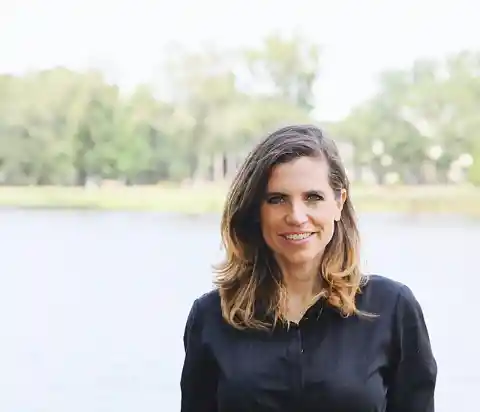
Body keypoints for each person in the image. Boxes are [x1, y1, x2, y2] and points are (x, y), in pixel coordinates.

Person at [180, 124, 437, 412]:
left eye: (313, 198)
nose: (296, 216)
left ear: (339, 203)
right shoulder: (212, 316)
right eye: (277, 199)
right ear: (256, 210)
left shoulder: (393, 308)